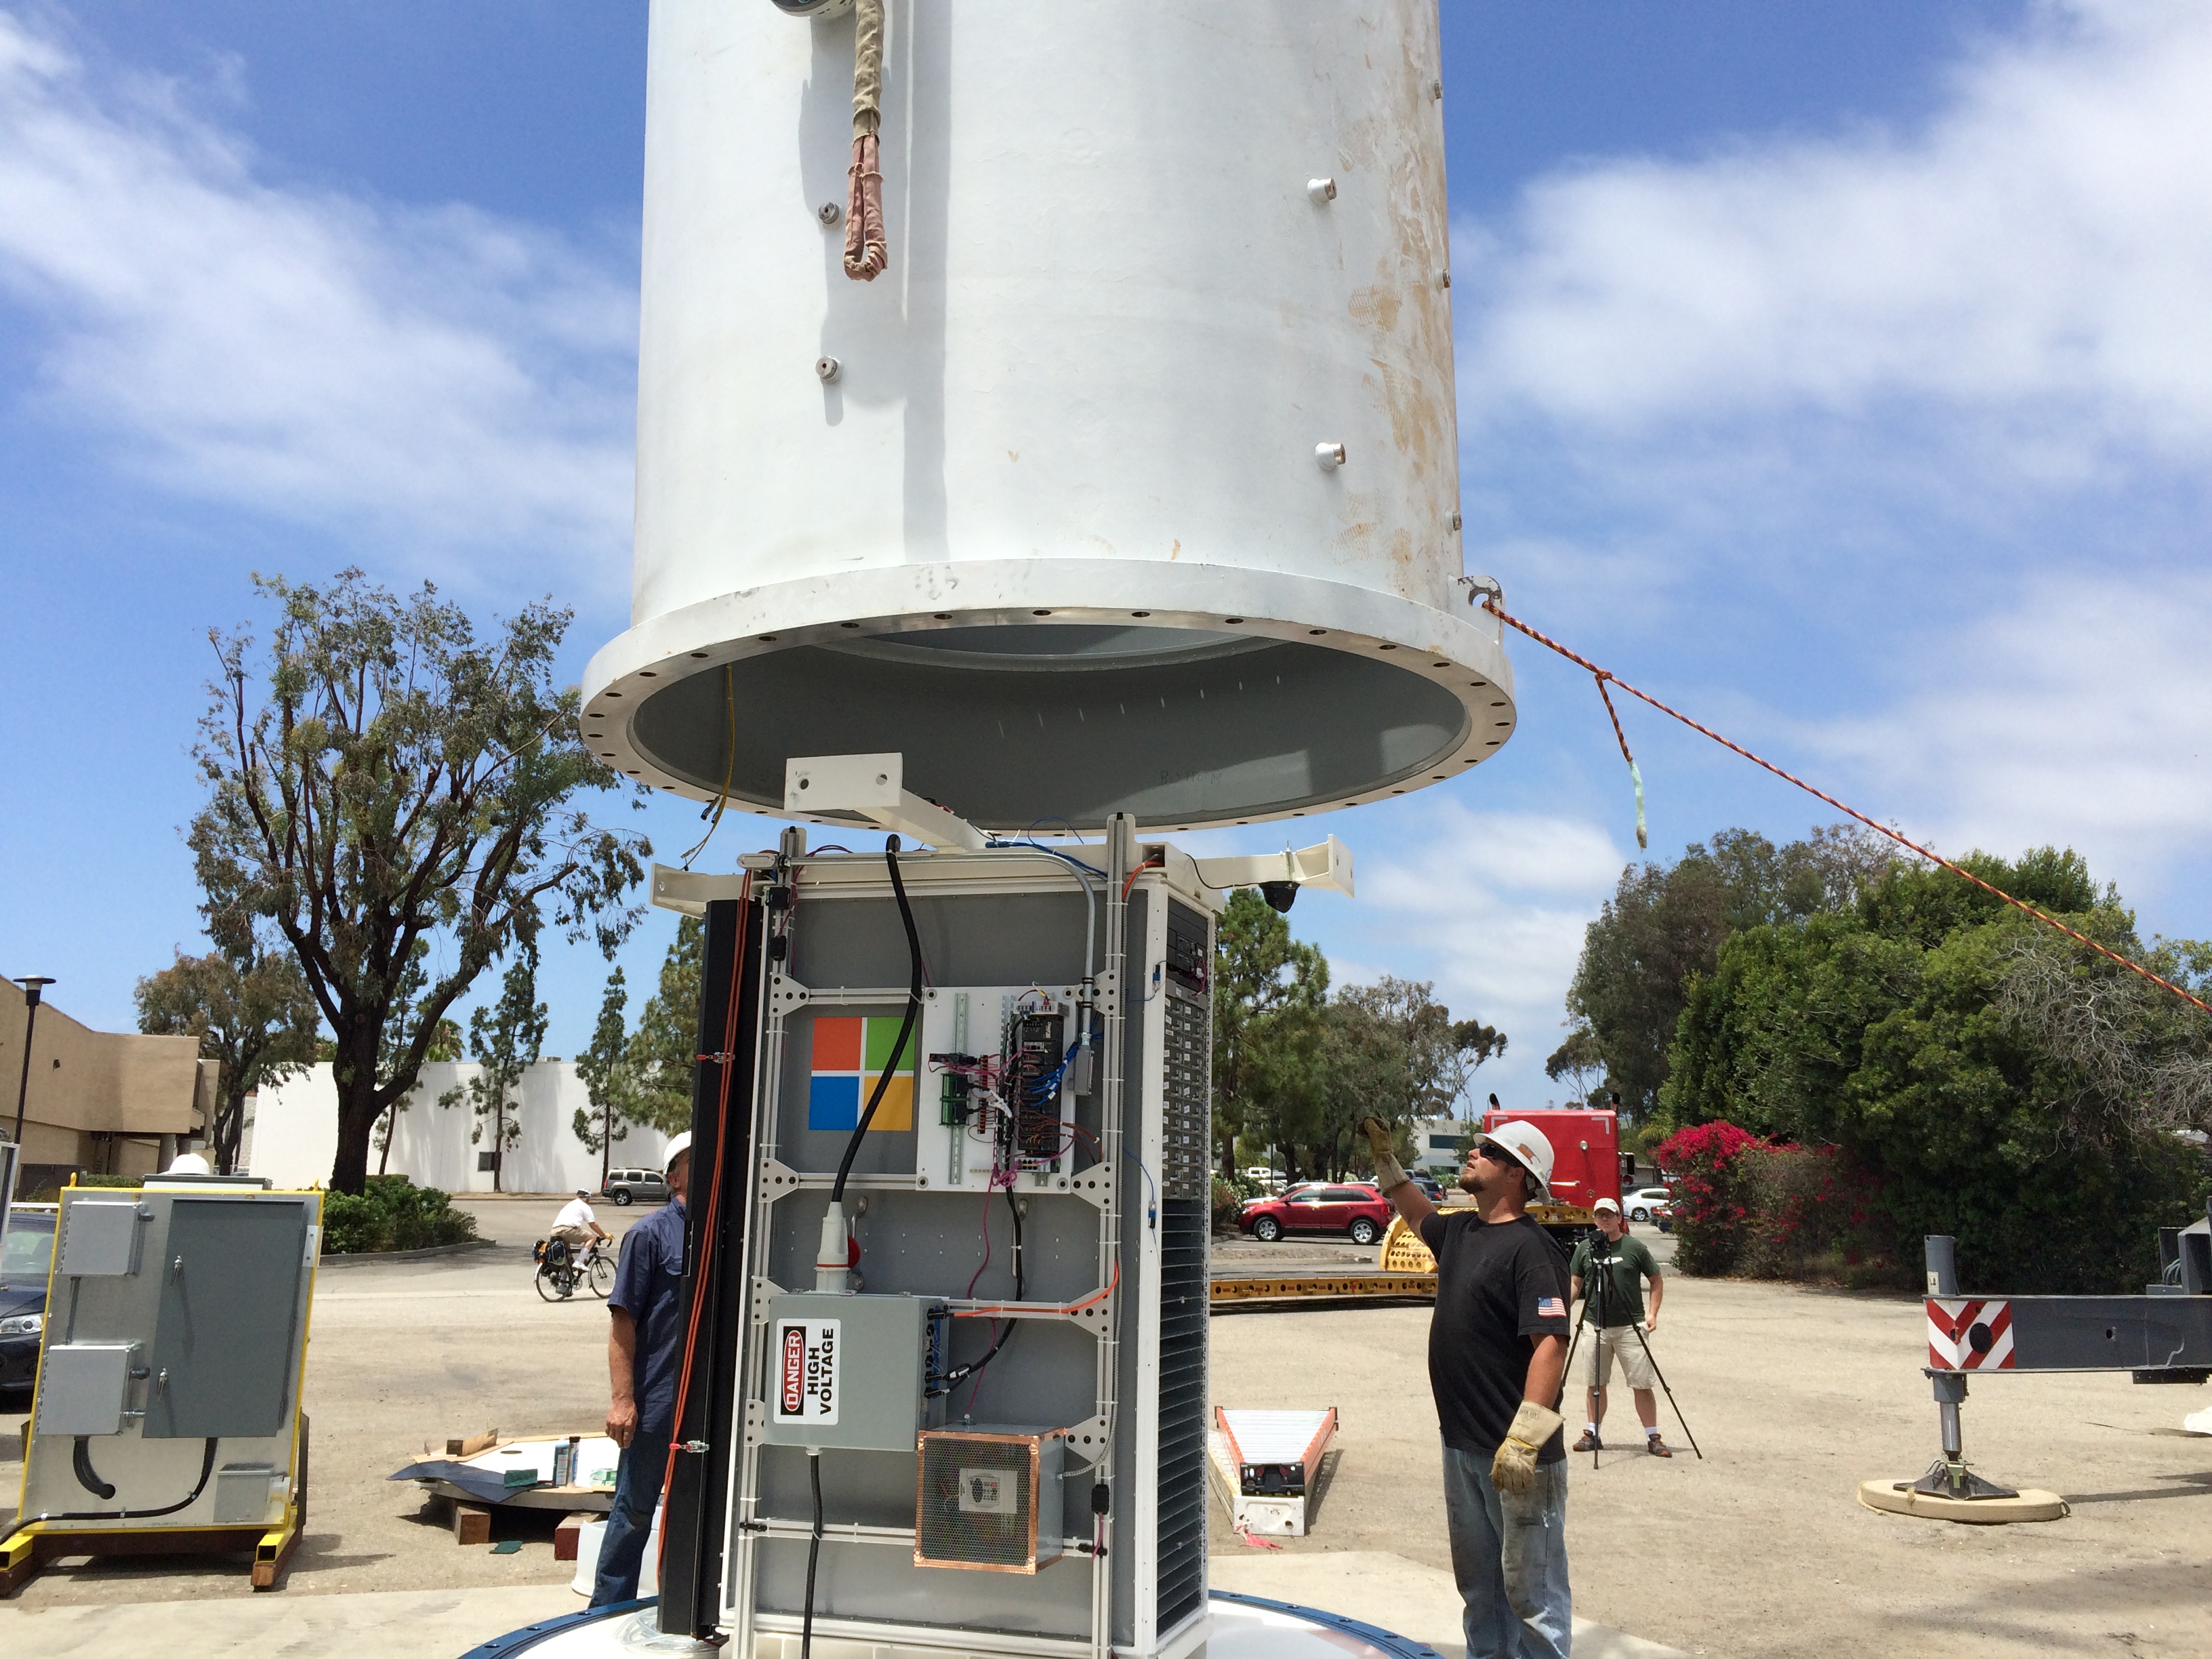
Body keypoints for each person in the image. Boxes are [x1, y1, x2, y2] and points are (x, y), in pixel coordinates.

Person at [1364, 1115, 1572, 1659]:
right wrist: (1387, 1163)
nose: (1474, 1154)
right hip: (1462, 1445)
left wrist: (1524, 1439)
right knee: (1481, 1591)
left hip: (1518, 1456)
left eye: (1489, 1151)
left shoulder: (1533, 1250)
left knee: (1534, 1596)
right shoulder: (1460, 1231)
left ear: (1517, 1174)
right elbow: (1415, 1211)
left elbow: (1551, 1344)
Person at [591, 1132, 693, 1606]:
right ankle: (606, 1611)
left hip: (708, 1406)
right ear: (674, 1178)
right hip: (657, 1405)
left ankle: (684, 1610)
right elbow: (622, 1323)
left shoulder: (732, 1232)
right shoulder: (649, 1235)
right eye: (694, 1162)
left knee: (696, 1511)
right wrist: (623, 1399)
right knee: (633, 1511)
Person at [1567, 1198, 1670, 1456]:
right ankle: (1593, 1433)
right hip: (1594, 1325)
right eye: (1600, 1216)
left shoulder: (1634, 1247)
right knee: (1595, 1384)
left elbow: (1656, 1280)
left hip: (1630, 1327)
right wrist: (1561, 1311)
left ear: (1619, 1218)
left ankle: (1653, 1436)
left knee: (1641, 1384)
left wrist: (1653, 1314)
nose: (1604, 1220)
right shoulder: (1584, 1249)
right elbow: (1575, 1284)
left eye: (1609, 1215)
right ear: (1594, 1219)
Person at [551, 1189, 609, 1259]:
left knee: (567, 1255)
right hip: (567, 1230)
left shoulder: (571, 1204)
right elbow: (593, 1225)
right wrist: (603, 1235)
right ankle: (580, 1262)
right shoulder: (585, 1206)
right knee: (592, 1237)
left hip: (554, 1231)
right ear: (587, 1198)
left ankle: (567, 1267)